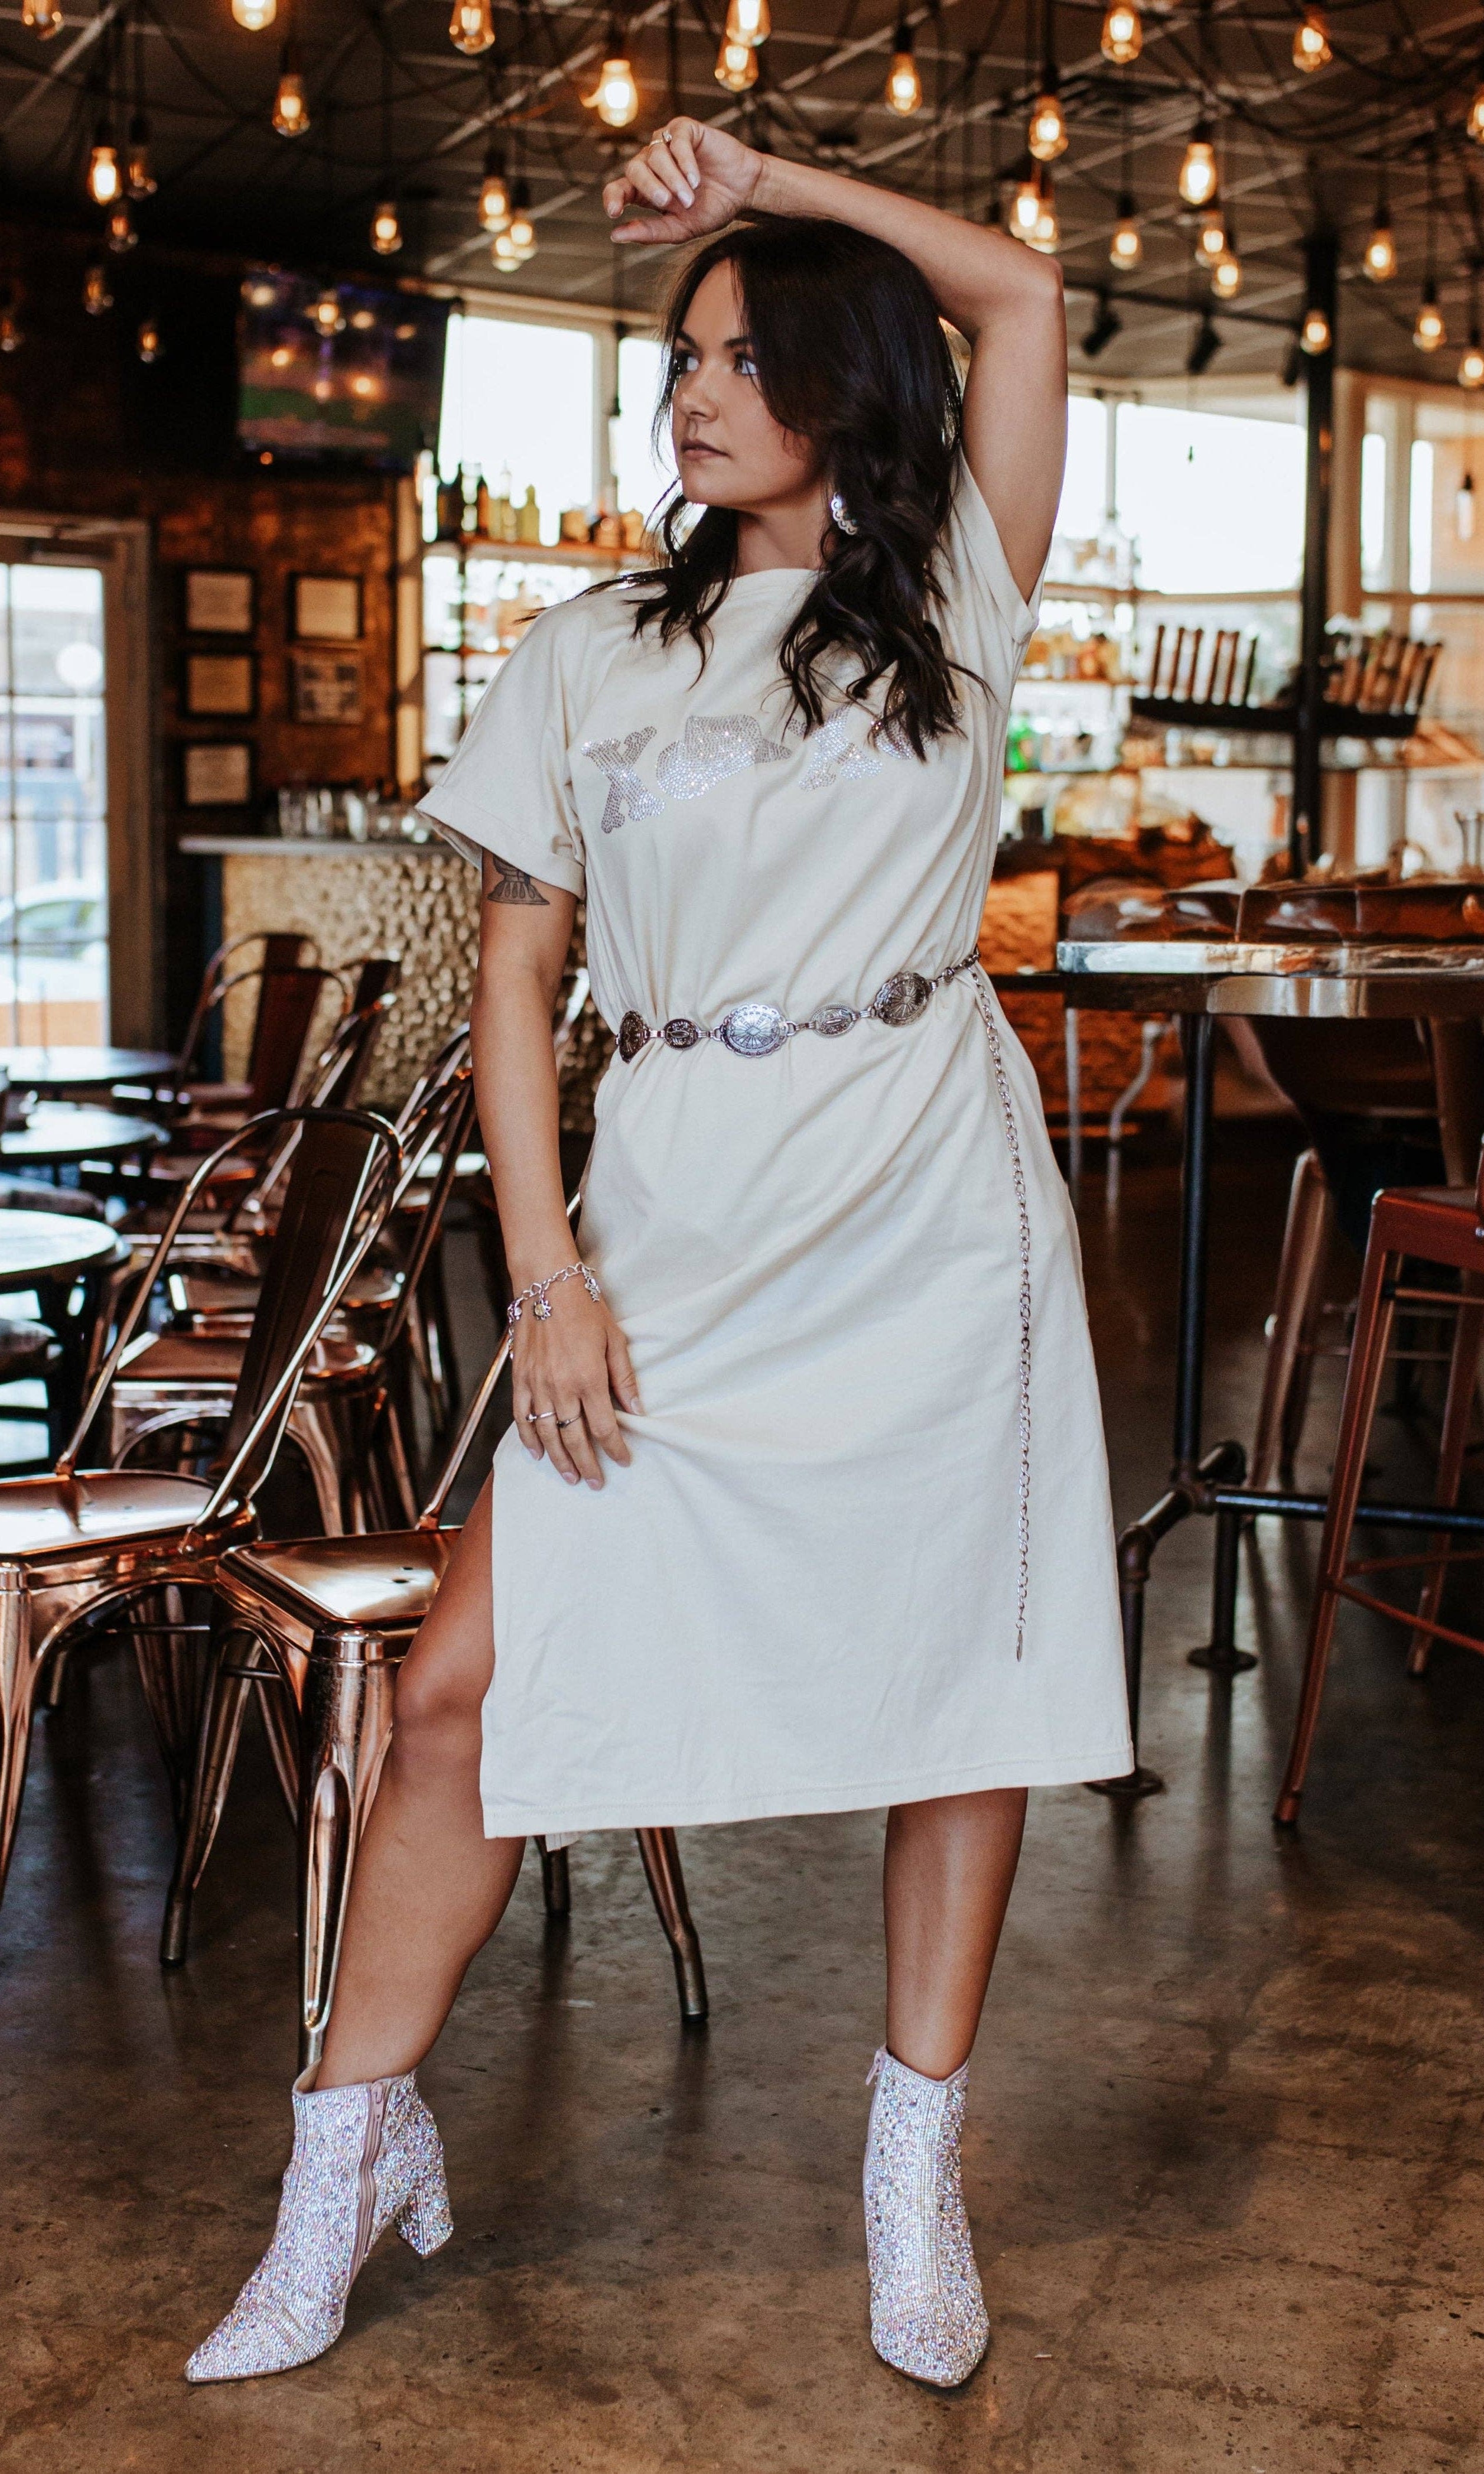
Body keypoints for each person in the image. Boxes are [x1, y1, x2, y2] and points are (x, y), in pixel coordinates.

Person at [185, 118, 1132, 2395]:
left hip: (927, 1201)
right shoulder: (589, 647)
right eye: (676, 358)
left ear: (838, 378)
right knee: (459, 1689)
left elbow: (1024, 291)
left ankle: (914, 2175)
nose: (689, 391)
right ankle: (346, 2154)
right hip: (677, 1223)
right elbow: (514, 981)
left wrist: (773, 180)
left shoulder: (957, 600)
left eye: (735, 353)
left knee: (959, 1699)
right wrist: (552, 1268)